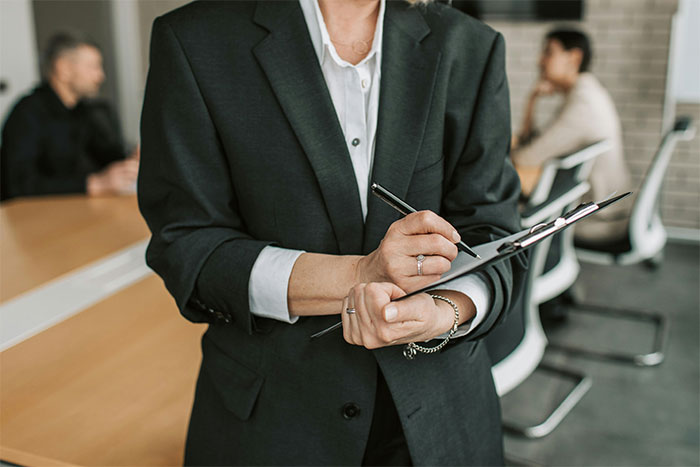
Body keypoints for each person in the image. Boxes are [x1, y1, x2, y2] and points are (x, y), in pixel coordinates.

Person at [138, 1, 525, 465]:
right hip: (274, 425)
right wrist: (359, 274)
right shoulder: (195, 39)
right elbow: (188, 244)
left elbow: (496, 234)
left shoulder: (469, 45)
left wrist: (444, 310)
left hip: (443, 422)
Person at [511, 28, 632, 244]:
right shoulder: (587, 92)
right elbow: (534, 145)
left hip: (599, 221)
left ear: (574, 57)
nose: (540, 60)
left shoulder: (583, 103)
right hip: (603, 213)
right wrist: (532, 101)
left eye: (548, 52)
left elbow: (525, 157)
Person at [0, 31, 139, 202]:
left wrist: (131, 159)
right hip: (33, 218)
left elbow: (105, 155)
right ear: (63, 68)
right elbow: (20, 185)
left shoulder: (83, 111)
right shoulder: (26, 114)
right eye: (93, 67)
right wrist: (94, 184)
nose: (101, 76)